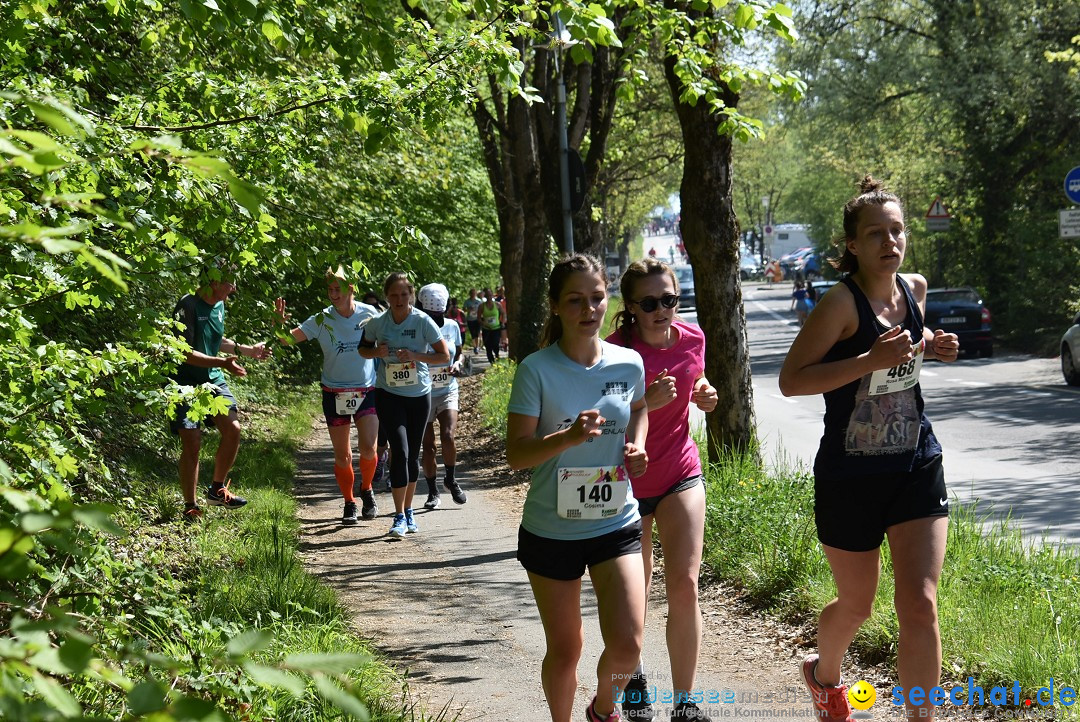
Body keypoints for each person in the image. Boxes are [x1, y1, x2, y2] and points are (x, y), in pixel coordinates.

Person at [778, 176, 960, 722]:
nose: (890, 241)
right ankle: (822, 673)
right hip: (850, 474)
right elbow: (792, 381)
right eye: (876, 233)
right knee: (857, 604)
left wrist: (934, 344)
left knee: (920, 605)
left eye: (897, 230)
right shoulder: (839, 304)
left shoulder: (915, 290)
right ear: (852, 245)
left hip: (915, 462)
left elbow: (909, 348)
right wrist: (865, 362)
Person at [505, 253, 649, 722]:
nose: (589, 310)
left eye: (596, 298)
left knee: (628, 644)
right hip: (553, 528)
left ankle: (604, 709)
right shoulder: (536, 369)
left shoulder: (628, 362)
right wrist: (566, 438)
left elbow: (640, 407)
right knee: (567, 650)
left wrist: (638, 446)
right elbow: (516, 454)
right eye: (575, 301)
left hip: (616, 518)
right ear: (555, 307)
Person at [606, 259, 718, 722]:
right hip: (625, 482)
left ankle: (685, 703)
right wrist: (641, 404)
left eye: (668, 300)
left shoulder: (693, 339)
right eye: (649, 303)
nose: (660, 310)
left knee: (685, 584)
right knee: (635, 595)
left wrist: (705, 393)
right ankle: (634, 680)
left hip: (678, 473)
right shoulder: (611, 352)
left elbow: (698, 380)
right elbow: (592, 425)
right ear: (631, 307)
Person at [274, 266, 381, 524]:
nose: (333, 294)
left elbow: (390, 336)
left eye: (339, 288)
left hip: (366, 390)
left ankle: (366, 489)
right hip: (334, 392)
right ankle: (349, 502)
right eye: (330, 289)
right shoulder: (321, 319)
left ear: (351, 289)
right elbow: (287, 340)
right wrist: (278, 323)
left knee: (368, 448)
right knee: (342, 455)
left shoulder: (370, 314)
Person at [170, 263, 270, 521]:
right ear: (214, 281)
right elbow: (183, 352)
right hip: (184, 384)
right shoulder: (187, 306)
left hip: (213, 380)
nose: (233, 288)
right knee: (192, 444)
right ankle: (190, 505)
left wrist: (249, 350)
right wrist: (222, 363)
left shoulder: (220, 306)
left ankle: (217, 489)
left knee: (233, 429)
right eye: (229, 282)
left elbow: (217, 341)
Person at [359, 272, 449, 539]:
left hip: (419, 396)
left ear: (411, 296)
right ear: (386, 296)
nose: (399, 299)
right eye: (394, 295)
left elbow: (443, 355)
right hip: (388, 393)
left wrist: (415, 356)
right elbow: (362, 348)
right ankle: (398, 516)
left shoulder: (422, 321)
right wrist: (377, 352)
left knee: (411, 455)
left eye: (404, 294)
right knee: (399, 449)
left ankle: (409, 511)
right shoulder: (377, 323)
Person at [417, 283, 469, 509]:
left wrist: (457, 364)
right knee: (428, 447)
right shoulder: (416, 327)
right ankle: (432, 491)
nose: (434, 318)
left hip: (448, 388)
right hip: (422, 392)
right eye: (430, 314)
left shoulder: (452, 326)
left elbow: (460, 353)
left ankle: (451, 478)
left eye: (438, 314)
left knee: (448, 435)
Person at [479, 287, 506, 365]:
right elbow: (478, 318)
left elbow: (503, 313)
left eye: (491, 295)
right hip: (486, 329)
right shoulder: (482, 306)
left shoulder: (497, 304)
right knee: (488, 346)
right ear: (485, 297)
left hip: (496, 328)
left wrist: (503, 322)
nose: (489, 297)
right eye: (487, 296)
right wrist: (483, 323)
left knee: (495, 344)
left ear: (493, 296)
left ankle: (497, 356)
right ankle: (492, 362)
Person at [463, 288, 483, 354]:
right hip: (470, 319)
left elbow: (482, 308)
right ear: (470, 294)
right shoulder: (467, 301)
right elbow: (464, 309)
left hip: (477, 319)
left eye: (474, 293)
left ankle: (476, 347)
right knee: (473, 334)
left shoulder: (479, 301)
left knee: (477, 333)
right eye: (471, 293)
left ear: (476, 294)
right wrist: (468, 309)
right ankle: (475, 346)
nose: (473, 295)